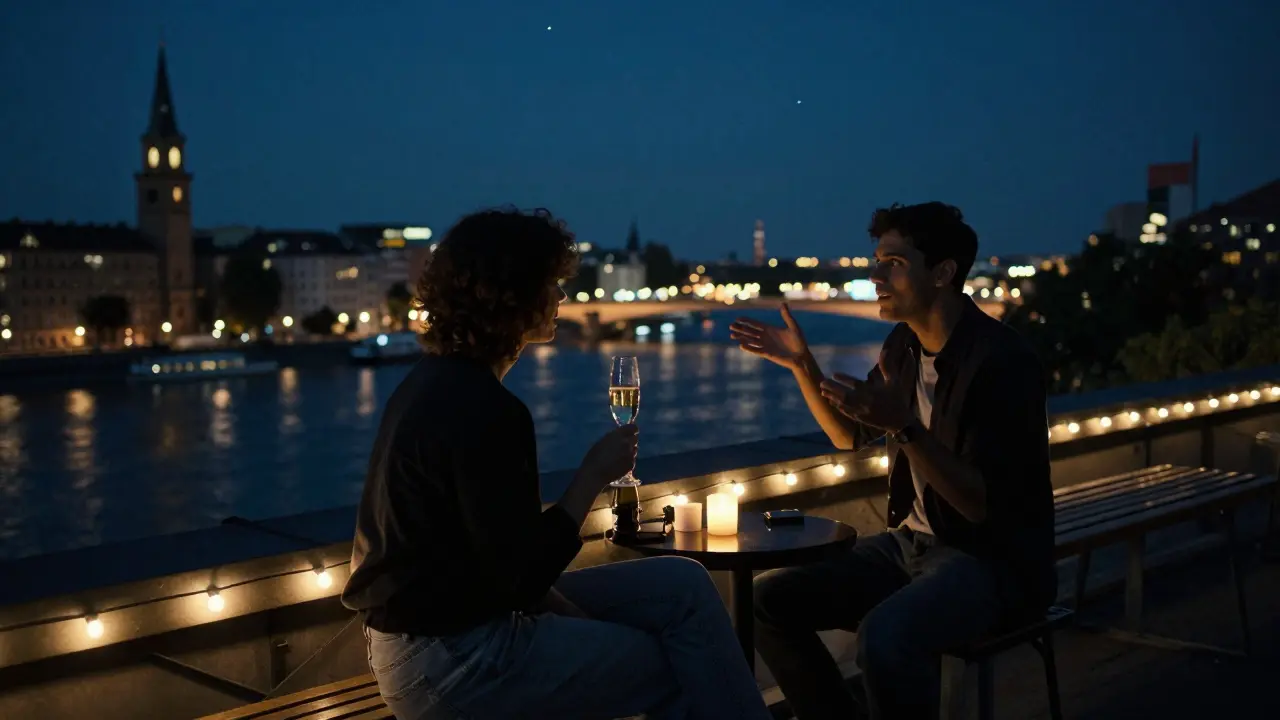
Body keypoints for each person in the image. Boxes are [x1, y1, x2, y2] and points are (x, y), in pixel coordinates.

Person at [342, 208, 771, 720]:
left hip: (429, 633)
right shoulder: (487, 410)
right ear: (514, 295)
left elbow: (497, 563)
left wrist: (575, 618)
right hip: (452, 657)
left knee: (683, 584)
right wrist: (590, 477)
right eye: (553, 284)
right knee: (681, 663)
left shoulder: (429, 385)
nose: (564, 298)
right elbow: (520, 580)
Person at [729, 202, 1055, 720]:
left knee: (885, 637)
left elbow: (977, 506)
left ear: (944, 273)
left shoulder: (1002, 363)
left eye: (894, 263)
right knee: (768, 603)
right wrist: (801, 364)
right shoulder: (901, 347)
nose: (875, 275)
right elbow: (848, 436)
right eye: (877, 260)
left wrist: (904, 427)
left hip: (991, 563)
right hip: (909, 546)